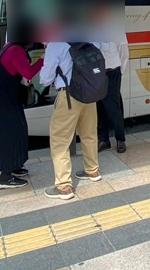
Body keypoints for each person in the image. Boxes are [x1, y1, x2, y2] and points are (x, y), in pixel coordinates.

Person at [0, 19, 43, 189]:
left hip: (6, 98)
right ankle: (4, 177)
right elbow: (28, 73)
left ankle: (14, 165)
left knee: (18, 130)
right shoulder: (15, 50)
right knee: (9, 134)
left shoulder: (12, 46)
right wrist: (44, 59)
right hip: (0, 101)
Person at [40, 39, 103, 200]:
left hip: (68, 96)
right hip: (89, 94)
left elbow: (46, 78)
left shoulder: (55, 45)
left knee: (60, 140)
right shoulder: (87, 38)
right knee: (89, 134)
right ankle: (92, 171)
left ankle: (64, 187)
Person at [96, 9, 129, 154]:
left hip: (112, 71)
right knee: (98, 107)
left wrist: (120, 71)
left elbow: (124, 52)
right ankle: (103, 140)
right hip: (95, 73)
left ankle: (120, 139)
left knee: (113, 107)